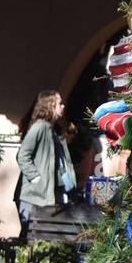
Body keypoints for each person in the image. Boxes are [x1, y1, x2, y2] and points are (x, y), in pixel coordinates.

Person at [15, 91, 76, 237]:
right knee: (30, 237)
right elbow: (22, 155)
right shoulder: (40, 127)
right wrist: (36, 178)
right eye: (59, 103)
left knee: (42, 238)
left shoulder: (52, 131)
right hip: (33, 196)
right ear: (50, 105)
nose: (63, 106)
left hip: (47, 196)